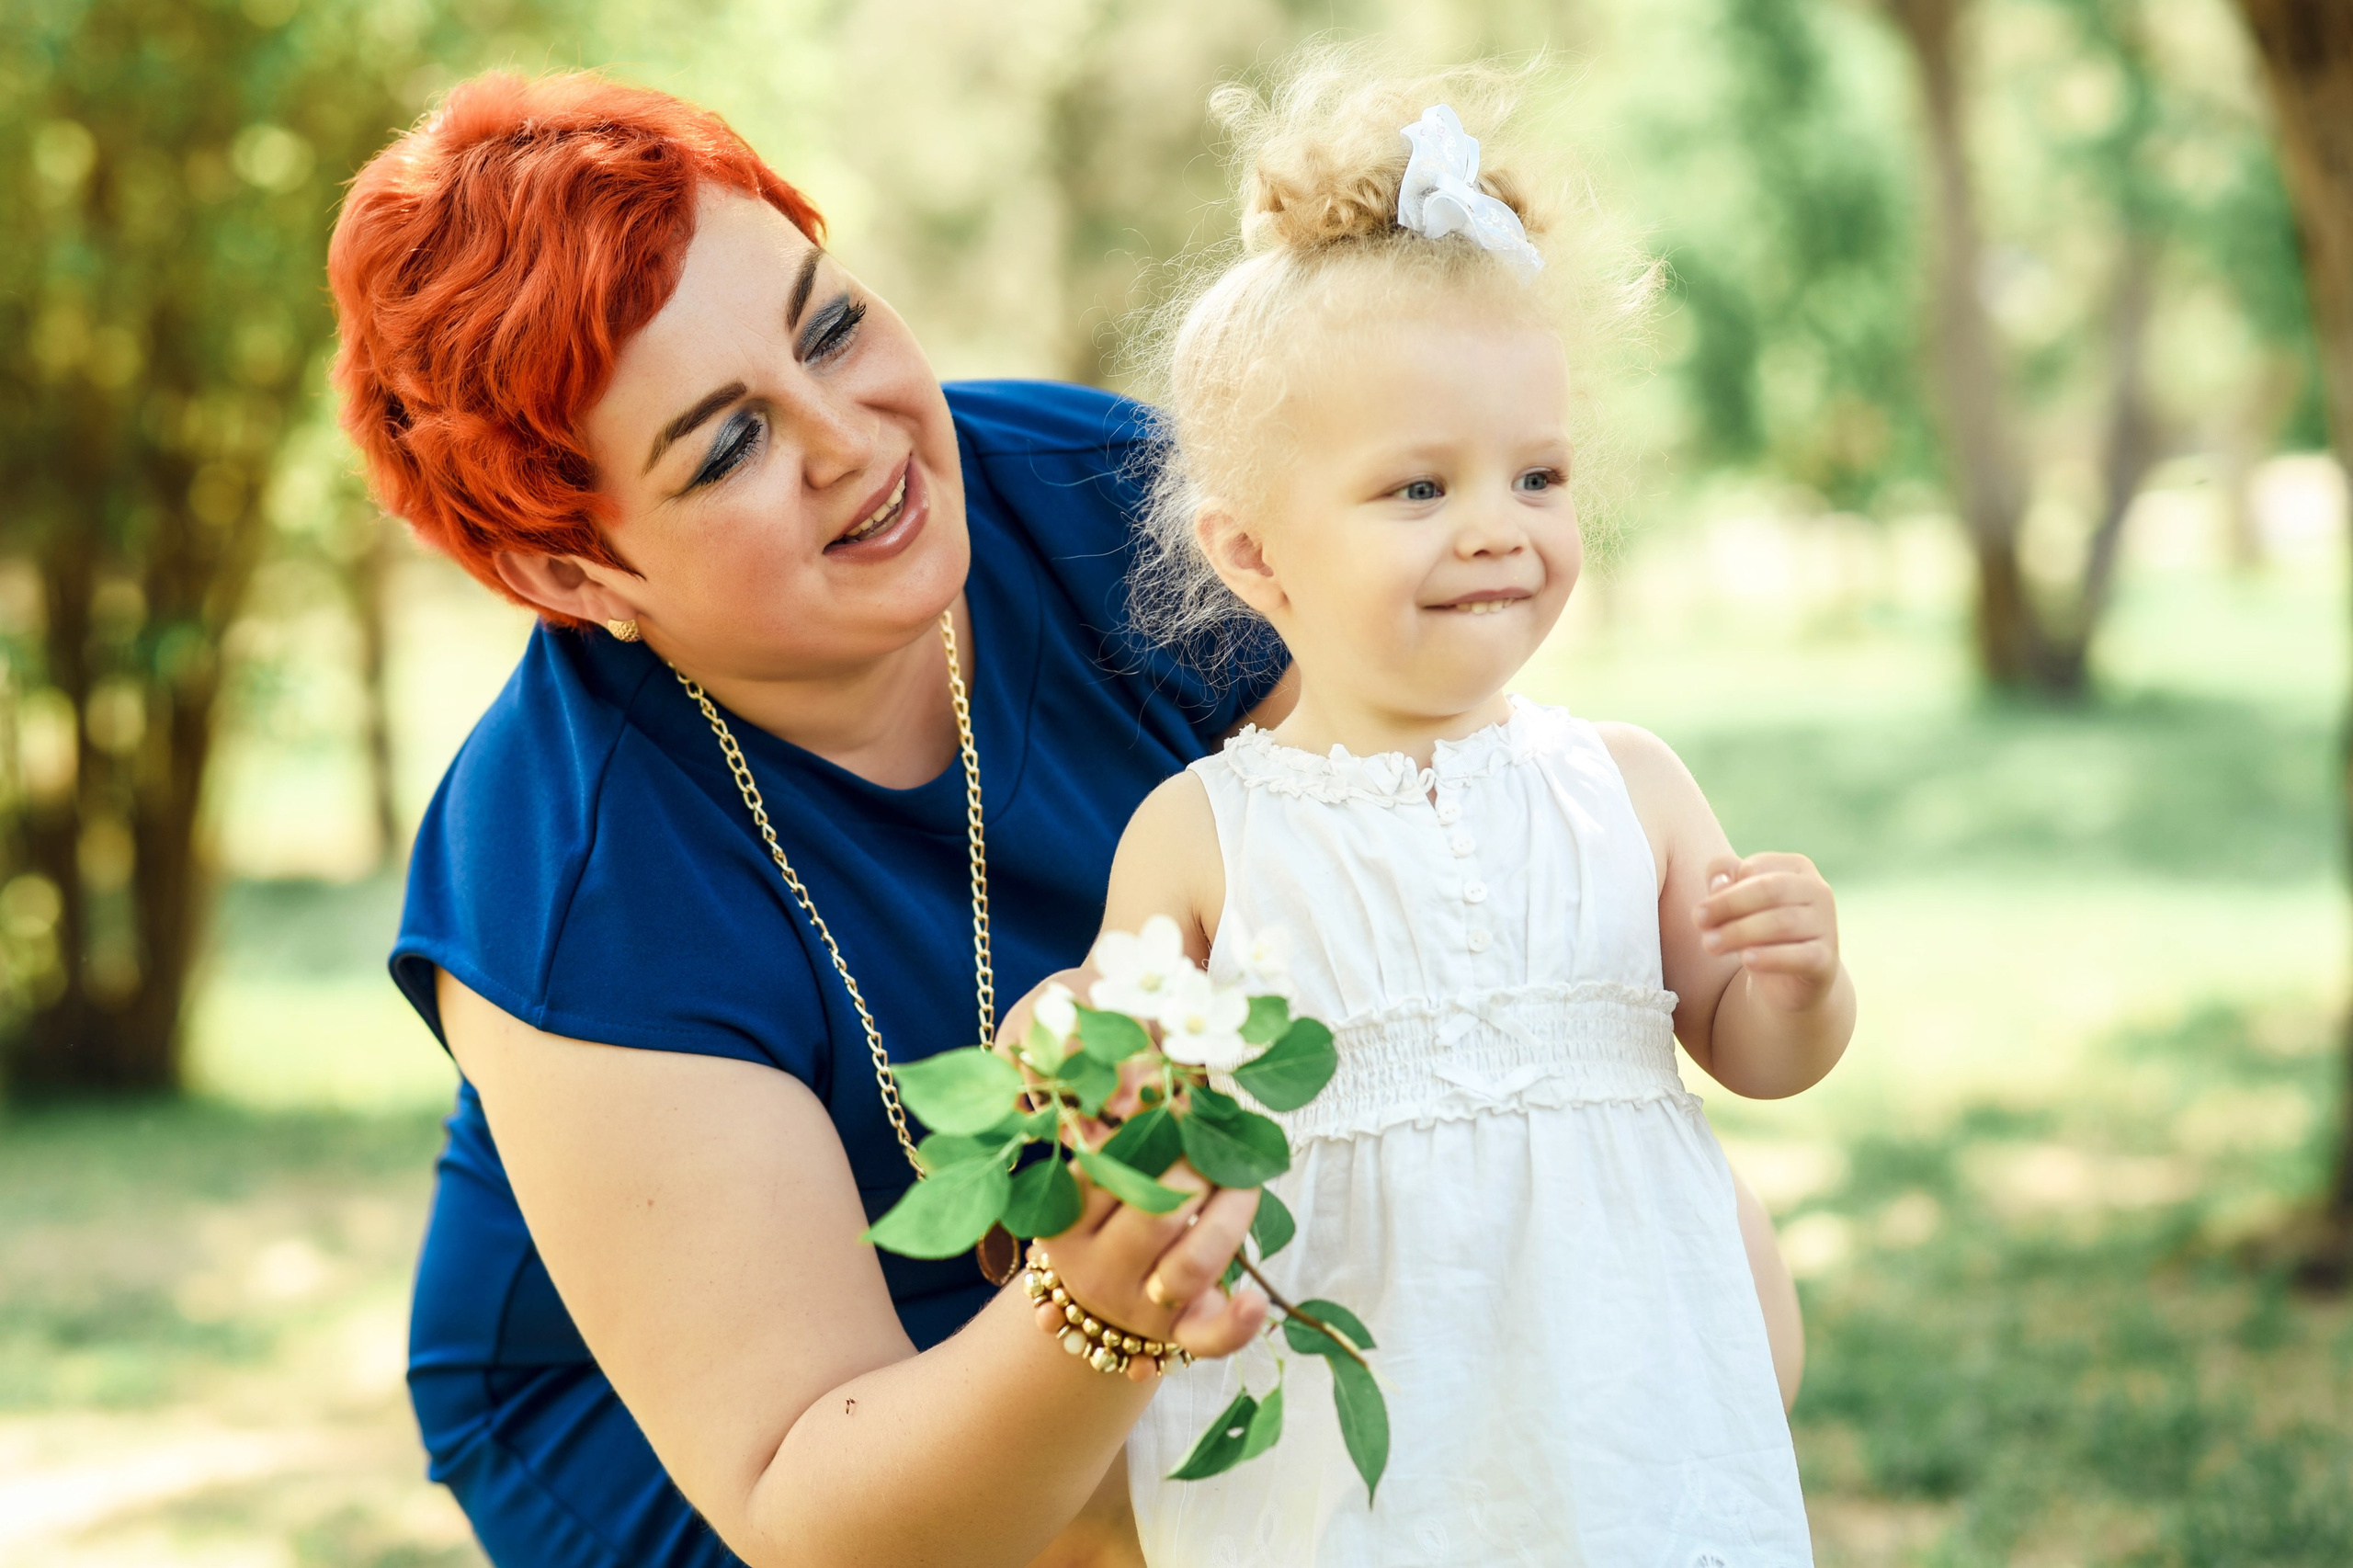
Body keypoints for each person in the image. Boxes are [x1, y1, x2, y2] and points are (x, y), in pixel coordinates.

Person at [330, 66, 1803, 1568]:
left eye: (828, 328)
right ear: (577, 574)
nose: (852, 442)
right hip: (727, 1434)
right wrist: (1106, 1299)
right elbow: (810, 1504)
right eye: (726, 446)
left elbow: (1433, 862)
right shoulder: (568, 875)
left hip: (1152, 1270)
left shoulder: (1103, 504)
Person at [1079, 62, 1854, 1564]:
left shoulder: (1627, 785)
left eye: (1537, 474)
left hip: (1629, 1426)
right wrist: (1097, 1072)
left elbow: (1757, 1054)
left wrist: (1801, 983)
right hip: (1353, 1452)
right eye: (1420, 490)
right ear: (1255, 553)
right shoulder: (1202, 834)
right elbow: (1121, 1108)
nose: (1498, 525)